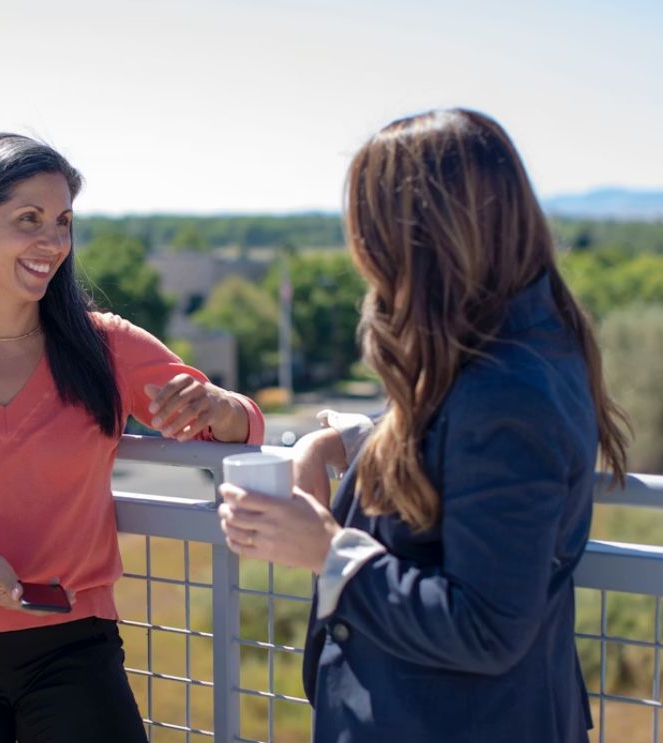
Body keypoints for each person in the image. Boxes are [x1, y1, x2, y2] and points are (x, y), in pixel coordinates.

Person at [0, 133, 265, 743]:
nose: (52, 242)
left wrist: (218, 405)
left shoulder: (105, 345)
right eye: (28, 220)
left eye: (63, 222)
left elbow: (242, 426)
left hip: (74, 646)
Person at [217, 109, 629, 742]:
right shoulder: (520, 342)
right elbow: (455, 442)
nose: (362, 257)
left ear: (420, 238)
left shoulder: (509, 391)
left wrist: (328, 554)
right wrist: (348, 444)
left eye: (369, 231)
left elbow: (486, 627)